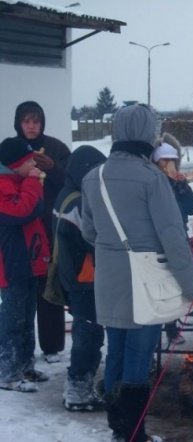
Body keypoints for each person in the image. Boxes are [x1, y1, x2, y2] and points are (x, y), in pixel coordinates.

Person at [81, 104, 193, 442]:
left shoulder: (95, 176)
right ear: (148, 135)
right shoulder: (152, 178)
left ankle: (119, 428)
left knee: (116, 351)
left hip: (109, 279)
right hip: (145, 281)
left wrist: (114, 250)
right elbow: (173, 237)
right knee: (138, 353)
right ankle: (135, 433)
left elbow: (88, 231)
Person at [14, 100, 71, 363]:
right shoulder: (11, 149)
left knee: (49, 289)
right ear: (19, 123)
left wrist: (53, 168)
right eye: (26, 121)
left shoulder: (57, 148)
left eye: (36, 121)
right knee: (21, 292)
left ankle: (52, 347)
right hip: (19, 229)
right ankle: (20, 348)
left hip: (49, 228)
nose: (31, 126)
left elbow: (72, 181)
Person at [54, 145, 106, 411]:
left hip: (76, 278)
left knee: (87, 331)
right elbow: (90, 239)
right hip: (84, 279)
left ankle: (80, 387)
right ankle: (77, 390)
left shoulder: (67, 194)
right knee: (88, 334)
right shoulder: (77, 202)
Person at [0, 137, 50, 392]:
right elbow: (21, 211)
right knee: (12, 321)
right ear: (15, 164)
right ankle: (7, 372)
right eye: (29, 161)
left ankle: (25, 365)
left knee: (27, 317)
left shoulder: (19, 182)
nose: (34, 164)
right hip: (11, 265)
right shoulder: (3, 185)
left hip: (28, 263)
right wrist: (32, 181)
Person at [151, 133, 193, 347]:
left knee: (177, 282)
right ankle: (160, 327)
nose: (168, 165)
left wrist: (182, 186)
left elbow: (192, 207)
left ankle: (173, 327)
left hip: (179, 236)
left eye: (172, 161)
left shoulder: (177, 182)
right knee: (160, 285)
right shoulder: (152, 182)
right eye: (164, 160)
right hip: (158, 241)